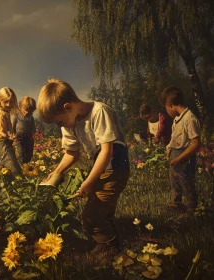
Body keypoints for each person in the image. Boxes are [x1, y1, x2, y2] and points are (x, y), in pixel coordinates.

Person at [38, 78, 129, 264]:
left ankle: (109, 248)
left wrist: (89, 181)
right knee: (103, 209)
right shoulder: (70, 122)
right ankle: (110, 244)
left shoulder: (100, 112)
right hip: (102, 164)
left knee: (91, 214)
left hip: (116, 165)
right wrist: (57, 172)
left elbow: (107, 151)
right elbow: (71, 153)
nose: (60, 126)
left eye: (59, 122)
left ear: (68, 106)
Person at [160, 86, 201, 213]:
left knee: (186, 180)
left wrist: (179, 158)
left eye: (166, 109)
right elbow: (174, 138)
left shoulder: (190, 118)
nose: (167, 111)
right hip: (176, 154)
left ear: (169, 105)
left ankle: (192, 206)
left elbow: (195, 144)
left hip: (185, 155)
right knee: (175, 180)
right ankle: (176, 203)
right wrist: (169, 150)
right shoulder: (177, 119)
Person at [0, 87, 21, 176]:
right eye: (6, 102)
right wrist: (10, 136)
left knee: (3, 167)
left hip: (2, 142)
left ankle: (5, 185)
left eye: (11, 102)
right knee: (12, 167)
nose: (9, 104)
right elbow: (1, 131)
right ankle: (15, 186)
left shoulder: (5, 113)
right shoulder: (1, 115)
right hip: (2, 142)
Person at [12, 96, 37, 164]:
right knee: (21, 153)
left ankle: (27, 166)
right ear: (20, 107)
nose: (27, 113)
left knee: (29, 153)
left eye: (30, 111)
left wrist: (33, 133)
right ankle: (21, 167)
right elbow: (12, 127)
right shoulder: (16, 116)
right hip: (19, 138)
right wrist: (13, 135)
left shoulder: (31, 118)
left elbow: (33, 128)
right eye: (25, 110)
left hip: (28, 137)